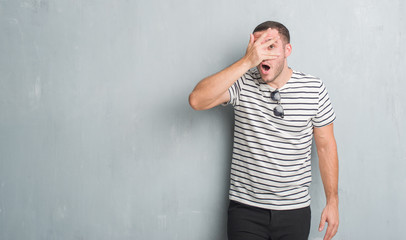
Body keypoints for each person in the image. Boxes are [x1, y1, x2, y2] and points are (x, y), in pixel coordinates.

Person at [188, 21, 339, 240]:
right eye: (257, 47)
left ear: (287, 50)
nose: (262, 55)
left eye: (270, 46)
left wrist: (332, 201)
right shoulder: (241, 83)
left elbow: (326, 147)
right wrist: (247, 61)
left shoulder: (314, 89)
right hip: (246, 211)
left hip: (294, 211)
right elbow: (196, 100)